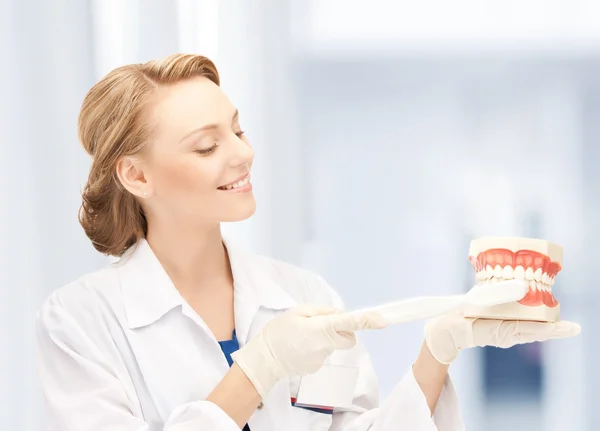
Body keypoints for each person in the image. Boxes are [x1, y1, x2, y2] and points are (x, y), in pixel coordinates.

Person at [35, 53, 581, 431]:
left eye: (238, 131)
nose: (243, 155)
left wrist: (437, 353)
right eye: (207, 147)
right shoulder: (80, 322)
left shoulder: (300, 294)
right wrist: (259, 368)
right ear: (136, 177)